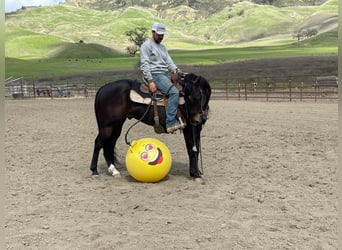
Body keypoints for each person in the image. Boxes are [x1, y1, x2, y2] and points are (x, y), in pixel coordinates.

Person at [140, 22, 185, 133]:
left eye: (162, 35)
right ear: (153, 32)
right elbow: (145, 64)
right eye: (159, 34)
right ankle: (170, 122)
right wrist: (150, 81)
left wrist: (178, 71)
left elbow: (169, 63)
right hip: (156, 75)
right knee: (174, 92)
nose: (161, 36)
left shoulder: (163, 48)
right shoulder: (146, 46)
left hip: (164, 75)